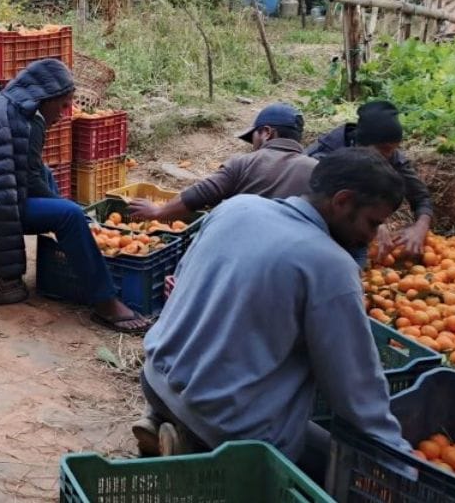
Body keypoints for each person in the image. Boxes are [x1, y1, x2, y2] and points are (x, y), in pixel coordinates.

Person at [134, 148, 410, 481]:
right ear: (342, 201)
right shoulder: (331, 266)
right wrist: (406, 466)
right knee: (340, 468)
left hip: (156, 379)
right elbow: (356, 393)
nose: (371, 236)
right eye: (373, 222)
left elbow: (179, 282)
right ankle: (201, 453)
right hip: (223, 424)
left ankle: (175, 432)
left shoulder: (236, 207)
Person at [0, 58, 150, 332]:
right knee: (69, 215)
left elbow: (27, 172)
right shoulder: (19, 123)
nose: (67, 112)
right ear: (45, 98)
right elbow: (1, 198)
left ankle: (72, 248)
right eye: (64, 104)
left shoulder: (12, 108)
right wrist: (68, 213)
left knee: (50, 181)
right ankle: (105, 302)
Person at [128, 103, 317, 222]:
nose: (253, 146)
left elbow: (199, 195)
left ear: (266, 132)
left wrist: (158, 212)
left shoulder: (244, 163)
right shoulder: (318, 171)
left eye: (253, 137)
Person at [307, 100, 433, 260]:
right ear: (362, 144)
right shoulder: (321, 158)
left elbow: (421, 197)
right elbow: (314, 203)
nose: (389, 155)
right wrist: (374, 224)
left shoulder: (391, 156)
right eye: (385, 149)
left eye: (394, 149)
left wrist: (420, 228)